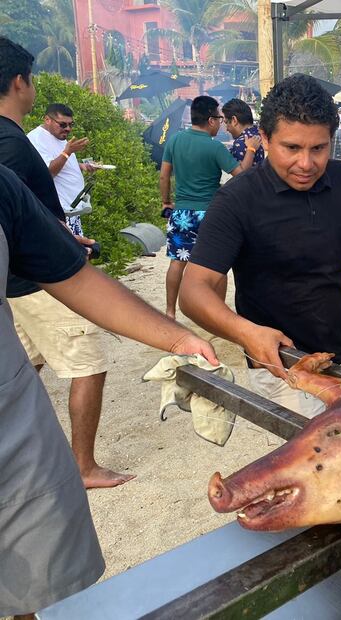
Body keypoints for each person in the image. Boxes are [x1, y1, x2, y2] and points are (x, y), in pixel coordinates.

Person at [0, 163, 218, 619]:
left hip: (11, 420)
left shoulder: (1, 186)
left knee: (35, 584)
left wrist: (177, 339)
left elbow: (74, 278)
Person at [180, 75, 341, 418]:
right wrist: (247, 333)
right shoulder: (237, 200)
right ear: (265, 138)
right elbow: (193, 292)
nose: (305, 163)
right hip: (282, 367)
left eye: (318, 148)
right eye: (291, 148)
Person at [0, 37, 133, 489]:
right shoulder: (11, 144)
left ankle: (19, 460)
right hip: (39, 280)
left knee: (24, 367)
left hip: (19, 276)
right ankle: (83, 467)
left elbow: (24, 212)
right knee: (88, 362)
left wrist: (63, 233)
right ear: (20, 83)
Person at [160, 95, 241, 318]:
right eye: (220, 119)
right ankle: (217, 313)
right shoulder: (215, 148)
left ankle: (170, 311)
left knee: (177, 262)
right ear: (211, 120)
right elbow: (240, 176)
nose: (221, 124)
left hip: (182, 212)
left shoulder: (174, 140)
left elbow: (164, 176)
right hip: (211, 214)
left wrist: (166, 201)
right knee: (217, 265)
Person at [27, 103, 97, 236]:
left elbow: (60, 161)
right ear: (47, 120)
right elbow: (47, 173)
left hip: (72, 209)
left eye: (71, 124)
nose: (68, 129)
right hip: (59, 212)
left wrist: (81, 166)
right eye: (63, 124)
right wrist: (68, 152)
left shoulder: (58, 136)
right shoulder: (37, 139)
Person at [222, 98, 264, 170]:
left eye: (226, 123)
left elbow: (242, 174)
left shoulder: (241, 142)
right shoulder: (259, 134)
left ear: (234, 120)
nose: (226, 129)